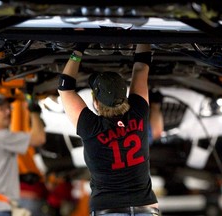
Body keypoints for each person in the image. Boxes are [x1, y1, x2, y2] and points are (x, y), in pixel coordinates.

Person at [58, 44, 159, 216]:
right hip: (145, 204)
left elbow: (64, 87)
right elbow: (141, 68)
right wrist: (77, 49)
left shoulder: (94, 126)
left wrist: (78, 52)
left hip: (112, 207)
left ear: (96, 103)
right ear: (125, 95)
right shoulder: (137, 114)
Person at [0, 93, 46, 216]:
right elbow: (39, 138)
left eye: (9, 108)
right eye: (1, 109)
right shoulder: (0, 137)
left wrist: (18, 178)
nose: (8, 112)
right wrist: (34, 111)